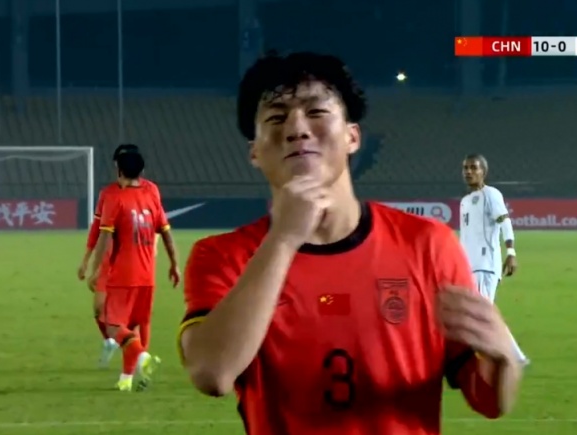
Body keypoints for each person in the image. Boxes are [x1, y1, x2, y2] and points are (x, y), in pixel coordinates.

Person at [178, 51, 523, 434]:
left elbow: (489, 400)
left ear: (352, 136)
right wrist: (284, 238)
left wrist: (503, 360)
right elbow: (212, 372)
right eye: (276, 118)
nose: (297, 128)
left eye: (316, 111)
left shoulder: (428, 245)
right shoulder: (222, 256)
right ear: (254, 152)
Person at [87, 150, 180, 392]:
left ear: (119, 170)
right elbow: (166, 232)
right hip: (147, 275)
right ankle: (126, 380)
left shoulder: (117, 199)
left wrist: (95, 269)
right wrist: (174, 264)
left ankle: (143, 358)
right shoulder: (151, 195)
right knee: (135, 326)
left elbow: (104, 237)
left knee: (112, 325)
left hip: (123, 275)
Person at [77, 144, 162, 368]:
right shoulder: (108, 193)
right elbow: (97, 229)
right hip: (109, 260)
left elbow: (157, 221)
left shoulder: (151, 189)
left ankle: (138, 362)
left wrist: (154, 245)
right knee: (100, 310)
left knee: (135, 319)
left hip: (135, 260)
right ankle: (113, 343)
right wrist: (87, 260)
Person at [459, 154, 528, 364]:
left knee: (481, 313)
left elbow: (504, 222)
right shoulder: (465, 201)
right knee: (481, 313)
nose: (469, 172)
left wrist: (511, 253)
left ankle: (503, 356)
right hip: (469, 266)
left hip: (485, 264)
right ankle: (513, 356)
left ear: (484, 171)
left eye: (474, 168)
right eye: (466, 168)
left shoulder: (491, 194)